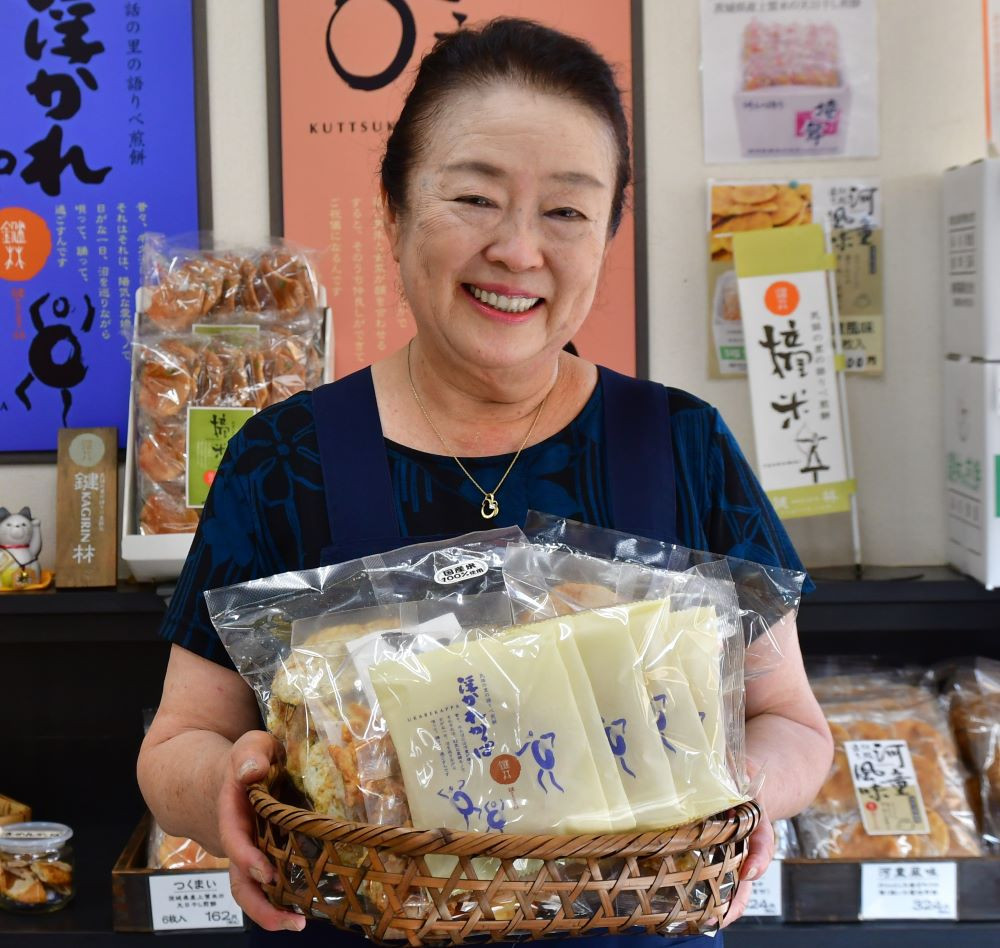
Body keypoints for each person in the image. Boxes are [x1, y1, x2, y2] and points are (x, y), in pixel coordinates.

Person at [137, 18, 833, 946]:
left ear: (606, 235)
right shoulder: (283, 456)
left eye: (567, 211)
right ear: (392, 210)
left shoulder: (680, 443)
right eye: (474, 197)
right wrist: (226, 784)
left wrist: (732, 788)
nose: (517, 249)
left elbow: (792, 722)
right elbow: (177, 742)